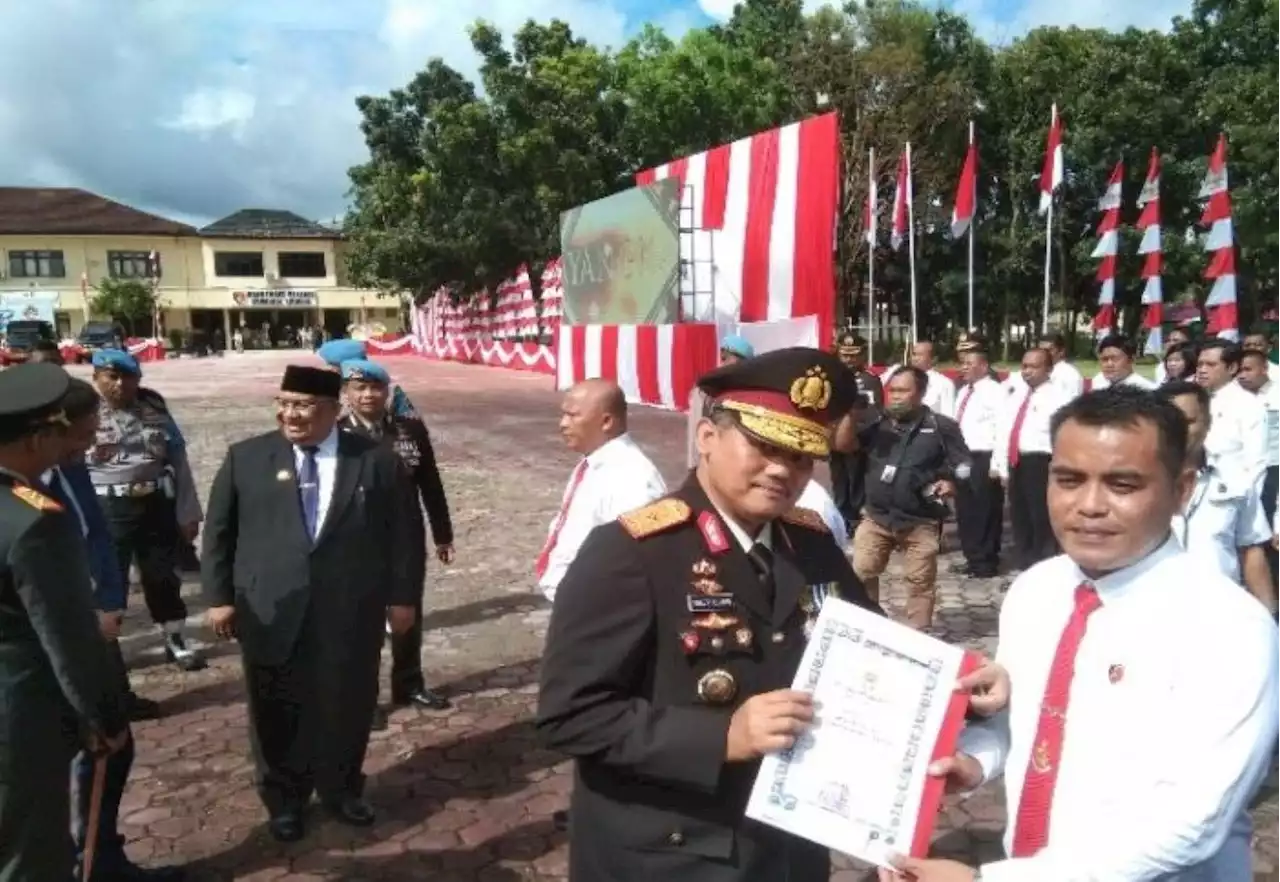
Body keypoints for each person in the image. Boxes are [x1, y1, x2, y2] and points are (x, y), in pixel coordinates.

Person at [883, 386, 1280, 881]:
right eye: (1068, 479)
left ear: (1181, 489)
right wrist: (976, 762)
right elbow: (1024, 719)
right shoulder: (1037, 590)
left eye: (1123, 485)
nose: (1089, 505)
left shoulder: (1229, 627)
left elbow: (1192, 824)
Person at [536, 346, 881, 882]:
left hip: (787, 848)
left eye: (799, 455)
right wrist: (722, 737)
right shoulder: (632, 551)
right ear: (707, 437)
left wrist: (963, 688)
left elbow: (876, 653)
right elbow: (571, 715)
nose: (781, 470)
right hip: (672, 852)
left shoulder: (811, 544)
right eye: (764, 446)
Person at [200, 365, 417, 842]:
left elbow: (404, 534)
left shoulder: (376, 460)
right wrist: (218, 598)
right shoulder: (247, 458)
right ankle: (285, 799)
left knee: (349, 702)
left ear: (333, 411)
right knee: (275, 705)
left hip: (350, 608)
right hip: (271, 606)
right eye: (282, 403)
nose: (289, 414)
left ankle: (341, 790)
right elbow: (219, 533)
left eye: (302, 406)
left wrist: (403, 598)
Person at [46, 378, 185, 882]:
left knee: (111, 744)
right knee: (53, 758)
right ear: (45, 431)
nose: (94, 444)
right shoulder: (17, 485)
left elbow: (96, 533)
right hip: (41, 647)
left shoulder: (69, 466)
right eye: (84, 434)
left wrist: (109, 601)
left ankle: (99, 857)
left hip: (92, 634)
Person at [0, 363, 129, 882]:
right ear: (35, 439)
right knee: (30, 856)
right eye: (58, 435)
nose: (67, 447)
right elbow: (67, 638)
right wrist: (103, 717)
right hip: (19, 715)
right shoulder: (35, 519)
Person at [87, 349, 205, 721]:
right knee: (110, 585)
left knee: (163, 578)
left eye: (127, 376)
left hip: (154, 503)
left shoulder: (153, 405)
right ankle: (111, 656)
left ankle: (174, 640)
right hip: (106, 510)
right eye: (110, 376)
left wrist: (188, 511)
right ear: (96, 377)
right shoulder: (80, 410)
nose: (119, 384)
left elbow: (178, 460)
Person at [339, 359, 454, 712]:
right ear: (346, 394)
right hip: (356, 541)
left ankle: (409, 683)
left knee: (408, 613)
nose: (369, 395)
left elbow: (430, 483)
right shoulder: (336, 434)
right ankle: (364, 697)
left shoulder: (409, 430)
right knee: (362, 621)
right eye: (360, 388)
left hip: (405, 537)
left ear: (387, 392)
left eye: (376, 388)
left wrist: (442, 534)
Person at [849, 365, 970, 630]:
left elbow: (964, 464)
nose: (895, 396)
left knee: (920, 582)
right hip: (876, 518)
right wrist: (850, 413)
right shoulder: (876, 424)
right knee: (861, 572)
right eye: (892, 390)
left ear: (921, 393)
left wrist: (951, 481)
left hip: (920, 520)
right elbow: (846, 445)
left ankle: (919, 635)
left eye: (903, 391)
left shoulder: (941, 427)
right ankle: (868, 625)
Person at [536, 379, 667, 604]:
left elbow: (635, 567)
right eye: (563, 414)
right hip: (573, 602)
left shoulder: (632, 479)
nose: (563, 424)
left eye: (573, 415)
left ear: (606, 421)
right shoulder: (593, 462)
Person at [1156, 381, 1276, 614]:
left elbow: (1251, 550)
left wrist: (1269, 618)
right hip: (1155, 613)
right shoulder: (1134, 481)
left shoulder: (1235, 478)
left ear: (1208, 422)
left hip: (1222, 614)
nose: (1179, 430)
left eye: (1189, 421)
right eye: (1170, 422)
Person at [991, 348, 1071, 570]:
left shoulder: (1059, 398)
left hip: (1041, 462)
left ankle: (1043, 565)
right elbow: (1005, 430)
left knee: (1041, 518)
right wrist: (1003, 465)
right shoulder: (1016, 395)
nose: (1027, 372)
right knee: (1020, 516)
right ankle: (1025, 564)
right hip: (1018, 461)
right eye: (1024, 366)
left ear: (1049, 369)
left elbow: (1062, 435)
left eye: (1034, 367)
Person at [951, 335, 1005, 578]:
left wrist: (998, 464)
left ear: (983, 366)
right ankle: (971, 556)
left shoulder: (996, 391)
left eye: (968, 364)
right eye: (961, 364)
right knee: (965, 509)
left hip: (984, 455)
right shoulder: (963, 392)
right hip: (963, 455)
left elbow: (1003, 428)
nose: (963, 368)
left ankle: (986, 561)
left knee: (985, 509)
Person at [830, 332, 884, 538]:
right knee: (839, 480)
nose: (849, 359)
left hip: (859, 439)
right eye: (845, 355)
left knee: (857, 481)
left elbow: (874, 412)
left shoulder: (869, 380)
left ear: (862, 355)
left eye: (854, 355)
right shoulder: (833, 378)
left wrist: (857, 436)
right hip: (835, 439)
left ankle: (856, 518)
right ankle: (841, 516)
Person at [1196, 337, 1267, 486]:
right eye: (1200, 364)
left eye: (1211, 365)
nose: (1202, 370)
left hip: (1230, 493)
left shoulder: (1248, 405)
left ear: (1232, 368)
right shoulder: (1194, 400)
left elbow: (1256, 463)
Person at [687, 335, 754, 469]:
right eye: (739, 362)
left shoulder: (747, 388)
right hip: (710, 464)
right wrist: (695, 469)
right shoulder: (705, 389)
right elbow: (696, 433)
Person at [316, 338, 418, 418]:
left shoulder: (328, 394)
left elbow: (411, 424)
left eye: (333, 366)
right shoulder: (391, 389)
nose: (330, 370)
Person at [882, 341, 957, 415]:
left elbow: (949, 415)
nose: (915, 359)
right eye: (914, 354)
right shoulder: (899, 375)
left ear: (933, 359)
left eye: (920, 355)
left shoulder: (944, 384)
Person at [1089, 334, 1156, 390]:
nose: (1109, 364)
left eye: (1115, 359)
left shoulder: (1146, 389)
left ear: (1131, 359)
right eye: (1104, 359)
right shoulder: (1095, 384)